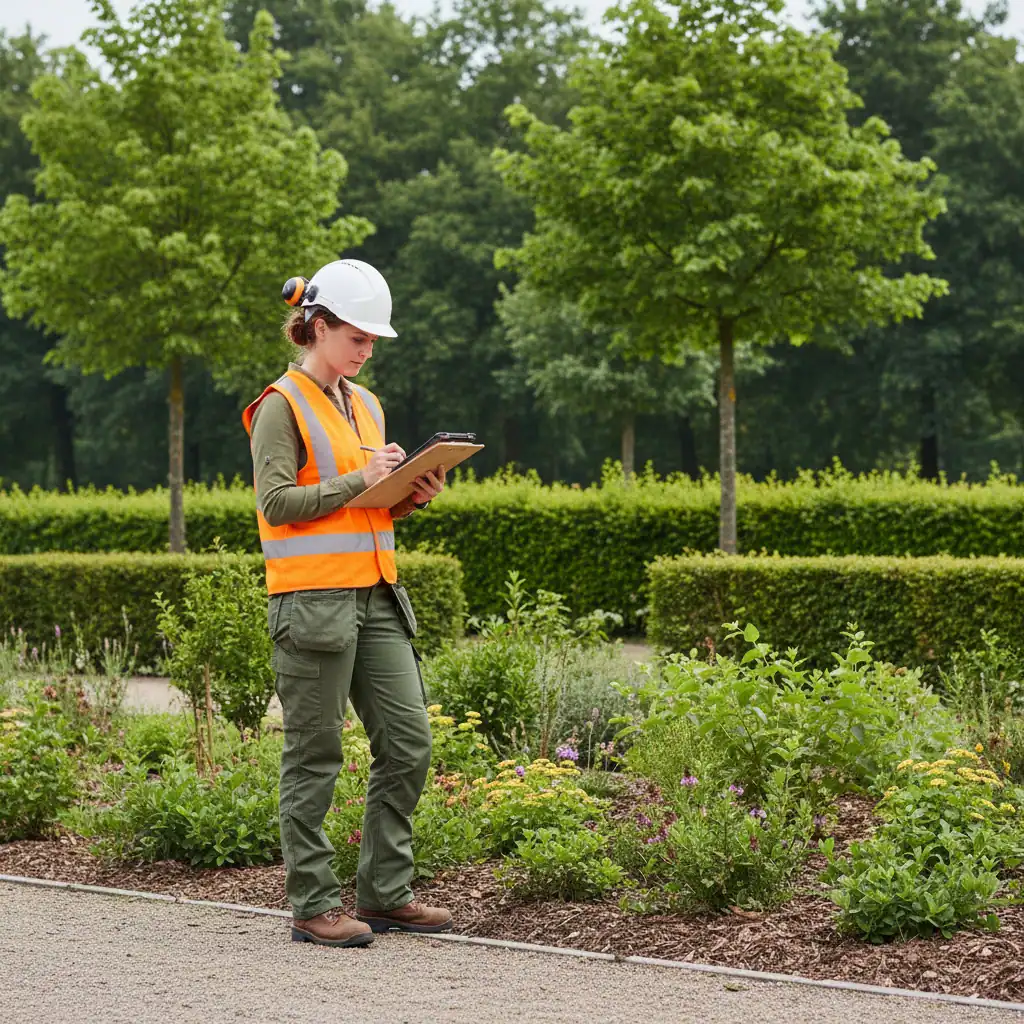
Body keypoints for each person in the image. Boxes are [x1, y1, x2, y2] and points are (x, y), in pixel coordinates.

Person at [242, 258, 450, 948]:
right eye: (358, 338)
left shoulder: (365, 404)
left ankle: (386, 895)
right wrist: (363, 477)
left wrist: (407, 493)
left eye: (372, 342)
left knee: (409, 742)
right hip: (313, 607)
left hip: (378, 596)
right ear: (319, 326)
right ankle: (312, 904)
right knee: (315, 754)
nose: (366, 351)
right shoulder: (280, 404)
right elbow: (276, 503)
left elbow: (363, 506)